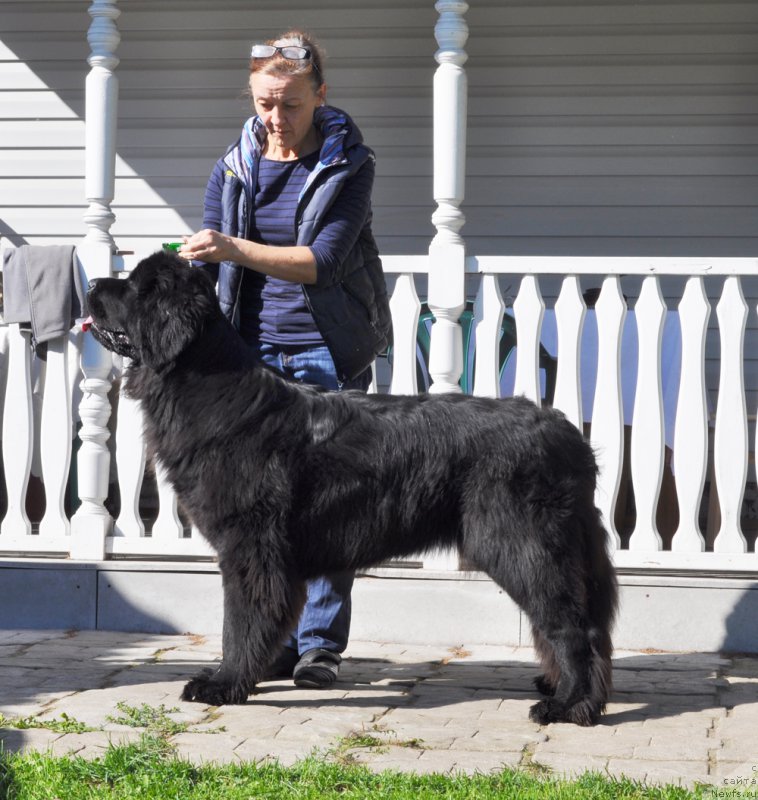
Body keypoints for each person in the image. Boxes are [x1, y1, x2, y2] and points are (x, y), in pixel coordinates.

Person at [180, 30, 392, 688]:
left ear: (320, 96)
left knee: (331, 506)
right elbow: (216, 268)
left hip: (327, 353)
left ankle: (319, 648)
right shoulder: (236, 165)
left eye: (291, 104)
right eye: (265, 104)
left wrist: (233, 247)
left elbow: (320, 263)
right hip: (252, 359)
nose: (276, 119)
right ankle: (270, 645)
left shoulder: (350, 164)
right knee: (261, 514)